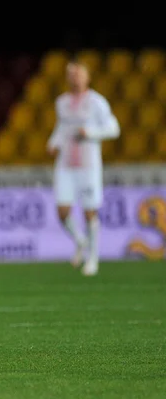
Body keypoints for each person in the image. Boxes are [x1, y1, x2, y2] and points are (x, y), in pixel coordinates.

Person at [47, 60, 120, 276]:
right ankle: (81, 241)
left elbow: (114, 128)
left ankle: (93, 259)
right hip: (66, 165)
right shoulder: (62, 102)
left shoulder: (97, 102)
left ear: (87, 77)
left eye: (78, 74)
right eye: (71, 75)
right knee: (62, 212)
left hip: (88, 166)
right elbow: (62, 126)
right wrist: (54, 142)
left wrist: (91, 132)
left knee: (90, 212)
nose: (74, 78)